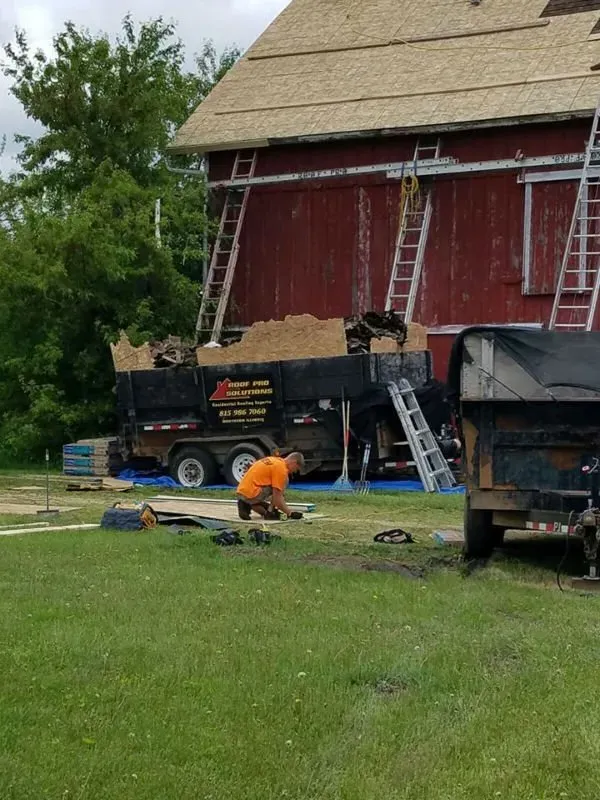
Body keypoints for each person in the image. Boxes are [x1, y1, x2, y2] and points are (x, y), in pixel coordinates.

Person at [236, 452, 305, 521]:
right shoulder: (281, 469)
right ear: (294, 462)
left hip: (242, 491)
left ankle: (248, 505)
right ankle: (269, 512)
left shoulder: (274, 460)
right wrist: (290, 513)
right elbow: (277, 498)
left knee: (274, 487)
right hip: (251, 493)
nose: (294, 472)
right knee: (283, 482)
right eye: (296, 469)